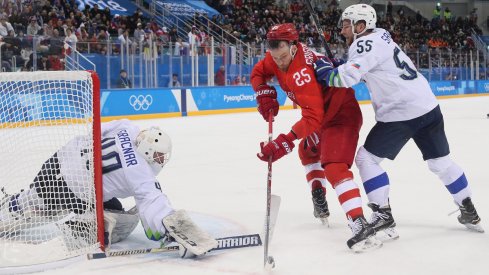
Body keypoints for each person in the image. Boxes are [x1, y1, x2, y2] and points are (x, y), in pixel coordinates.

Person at [313, 4, 484, 240]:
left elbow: (346, 78)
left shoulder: (363, 43)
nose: (342, 30)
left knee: (366, 159)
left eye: (346, 25)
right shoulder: (380, 37)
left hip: (401, 112)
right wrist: (343, 65)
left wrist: (323, 71)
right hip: (427, 106)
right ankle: (468, 208)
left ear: (360, 26)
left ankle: (383, 214)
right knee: (440, 162)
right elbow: (367, 68)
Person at [0, 119, 218, 256]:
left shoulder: (129, 127)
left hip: (60, 159)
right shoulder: (140, 173)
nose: (161, 160)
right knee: (113, 216)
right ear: (148, 150)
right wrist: (170, 231)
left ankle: (14, 204)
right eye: (159, 155)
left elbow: (96, 130)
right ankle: (82, 227)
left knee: (34, 196)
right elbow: (153, 204)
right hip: (73, 189)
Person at [251, 23, 381, 251]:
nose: (279, 64)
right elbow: (259, 72)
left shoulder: (302, 72)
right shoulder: (275, 57)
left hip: (341, 115)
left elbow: (313, 117)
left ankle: (359, 222)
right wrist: (262, 91)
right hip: (323, 116)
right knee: (308, 151)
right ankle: (319, 196)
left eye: (283, 57)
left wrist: (286, 140)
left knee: (334, 166)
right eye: (275, 58)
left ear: (293, 47)